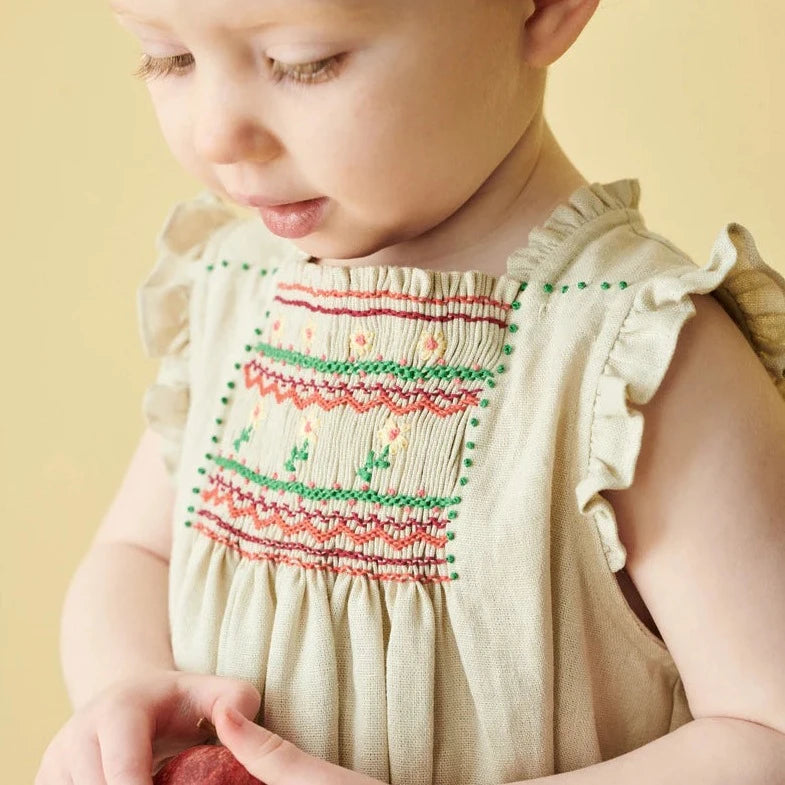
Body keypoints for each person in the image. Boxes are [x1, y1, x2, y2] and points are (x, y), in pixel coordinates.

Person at [36, 0, 785, 783]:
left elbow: (764, 728)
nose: (215, 133)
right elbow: (136, 552)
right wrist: (119, 691)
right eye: (168, 58)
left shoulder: (633, 357)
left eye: (305, 60)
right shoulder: (232, 291)